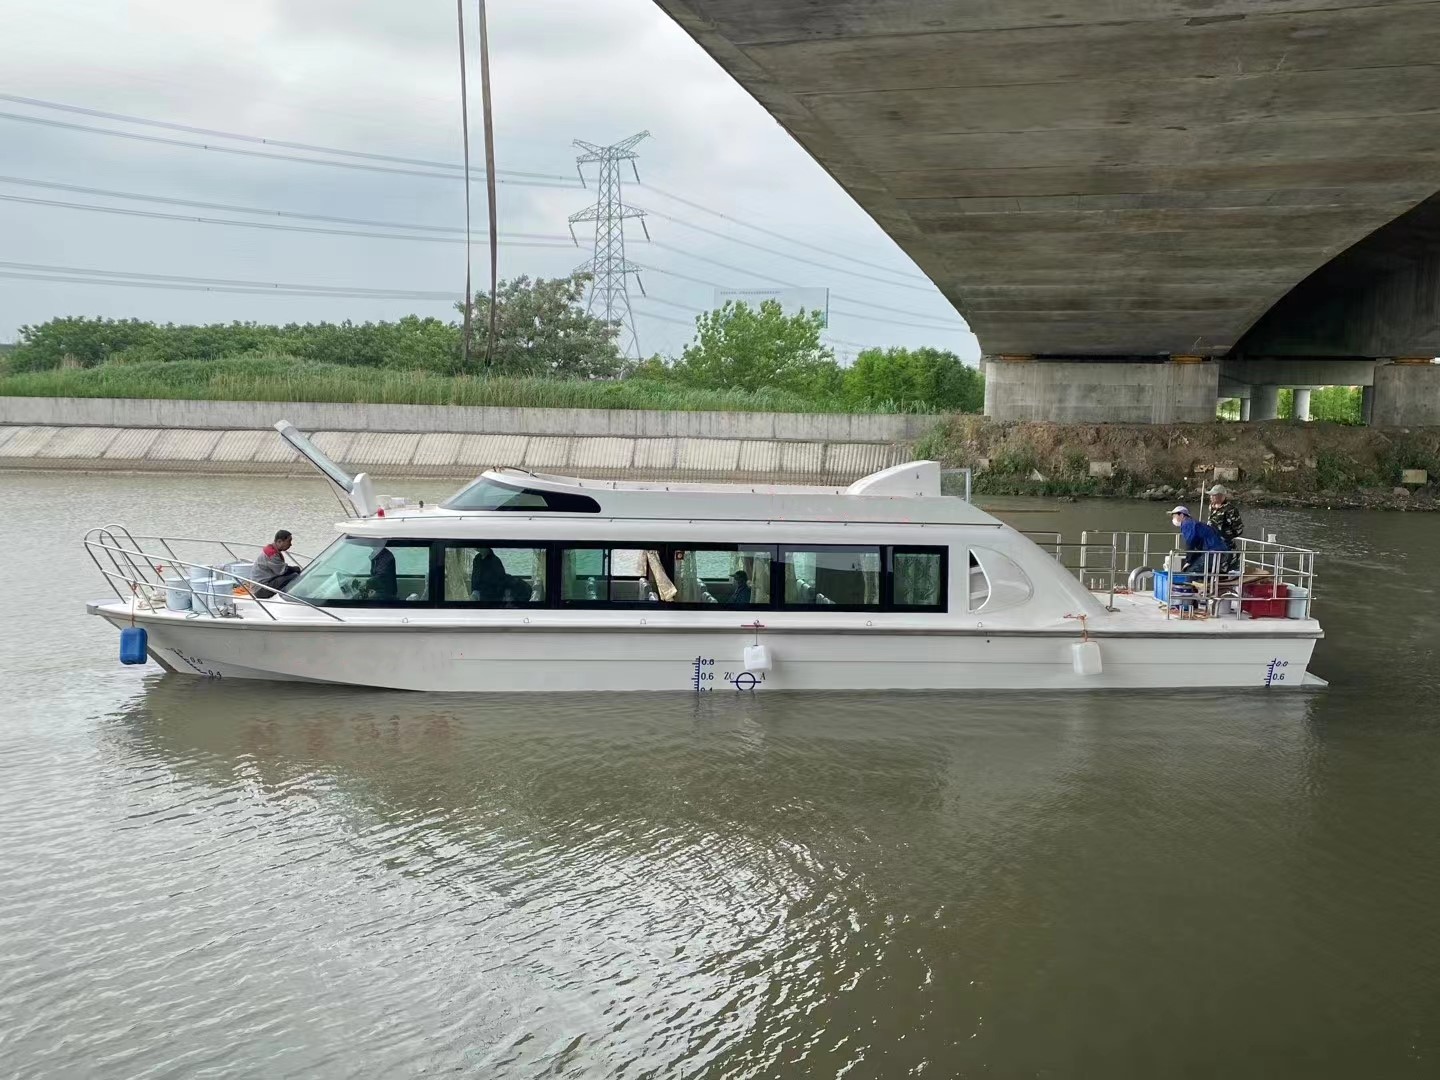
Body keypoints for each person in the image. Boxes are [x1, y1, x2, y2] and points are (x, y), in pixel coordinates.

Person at [1170, 505, 1230, 577]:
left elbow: (1190, 542)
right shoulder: (1194, 523)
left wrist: (1188, 561)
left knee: (1191, 573)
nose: (1173, 519)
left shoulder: (1187, 524)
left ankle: (1198, 586)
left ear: (1182, 515)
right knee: (1194, 567)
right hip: (1218, 551)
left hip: (1214, 552)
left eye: (1174, 516)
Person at [250, 529, 300, 598]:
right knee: (294, 576)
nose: (291, 544)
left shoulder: (271, 549)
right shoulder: (271, 554)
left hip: (264, 584)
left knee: (292, 574)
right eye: (289, 541)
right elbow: (283, 571)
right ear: (279, 541)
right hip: (260, 590)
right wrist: (296, 569)